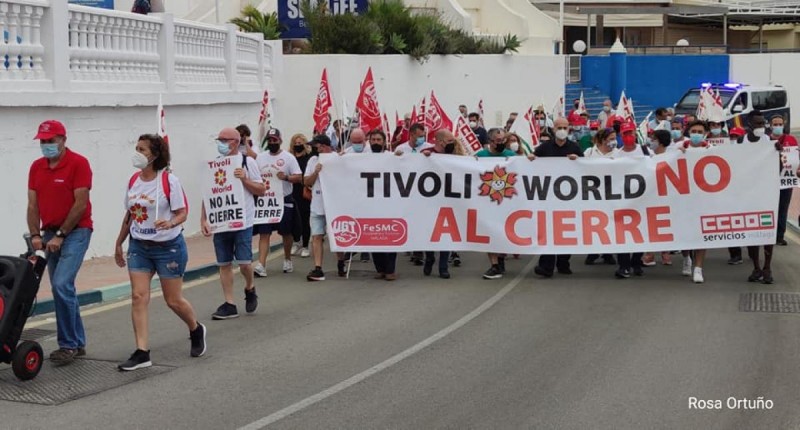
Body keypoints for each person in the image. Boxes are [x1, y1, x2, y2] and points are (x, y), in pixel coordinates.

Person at [114, 134, 206, 371]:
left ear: (154, 155)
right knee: (138, 296)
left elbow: (182, 212)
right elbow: (130, 214)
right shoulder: (134, 180)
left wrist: (171, 223)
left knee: (173, 300)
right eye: (136, 147)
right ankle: (142, 352)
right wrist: (119, 243)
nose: (136, 153)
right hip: (139, 246)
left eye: (141, 149)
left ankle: (196, 328)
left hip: (168, 247)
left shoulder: (169, 181)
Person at [27, 120, 92, 365]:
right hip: (48, 233)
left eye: (50, 141)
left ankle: (67, 345)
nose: (46, 145)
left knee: (62, 284)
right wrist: (35, 235)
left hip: (76, 231)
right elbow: (33, 205)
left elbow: (80, 204)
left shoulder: (78, 163)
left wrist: (61, 235)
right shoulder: (36, 167)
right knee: (63, 288)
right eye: (43, 142)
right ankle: (78, 342)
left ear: (63, 140)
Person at [201, 127, 266, 319]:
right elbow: (209, 194)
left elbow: (261, 189)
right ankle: (229, 303)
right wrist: (204, 218)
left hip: (242, 221)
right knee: (224, 263)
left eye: (224, 139)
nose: (220, 143)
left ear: (236, 142)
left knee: (245, 263)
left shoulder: (248, 162)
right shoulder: (216, 165)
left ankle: (250, 287)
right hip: (222, 222)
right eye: (218, 139)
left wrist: (244, 179)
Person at [533, 117, 583, 278]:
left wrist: (579, 161)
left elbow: (586, 170)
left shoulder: (575, 147)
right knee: (549, 231)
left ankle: (563, 262)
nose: (562, 130)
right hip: (548, 197)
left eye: (565, 127)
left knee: (566, 231)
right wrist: (530, 159)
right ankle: (546, 266)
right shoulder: (544, 148)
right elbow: (531, 163)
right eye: (559, 127)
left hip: (569, 199)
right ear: (553, 129)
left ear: (569, 129)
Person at [253, 128, 302, 277]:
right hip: (265, 201)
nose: (272, 142)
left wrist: (286, 177)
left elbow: (298, 177)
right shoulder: (260, 158)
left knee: (286, 233)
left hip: (283, 200)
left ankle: (287, 259)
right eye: (270, 140)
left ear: (280, 140)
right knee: (264, 232)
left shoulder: (289, 158)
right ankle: (261, 264)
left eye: (274, 140)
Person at [743, 111, 781, 283]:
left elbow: (777, 169)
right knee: (751, 234)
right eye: (757, 124)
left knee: (766, 231)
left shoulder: (769, 143)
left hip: (766, 193)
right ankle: (756, 268)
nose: (760, 127)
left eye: (762, 124)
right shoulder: (739, 142)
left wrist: (777, 155)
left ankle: (767, 268)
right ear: (749, 124)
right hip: (748, 194)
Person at [611, 122, 650, 278]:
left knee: (641, 232)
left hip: (643, 198)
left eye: (631, 133)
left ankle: (636, 261)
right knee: (621, 233)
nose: (628, 137)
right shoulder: (616, 155)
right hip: (622, 199)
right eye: (625, 134)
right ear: (621, 136)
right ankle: (624, 265)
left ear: (635, 134)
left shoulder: (646, 151)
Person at [305, 135, 346, 281]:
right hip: (317, 204)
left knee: (337, 235)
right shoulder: (312, 161)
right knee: (316, 236)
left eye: (316, 146)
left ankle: (341, 261)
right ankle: (318, 268)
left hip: (335, 205)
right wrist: (316, 172)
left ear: (323, 146)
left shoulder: (337, 158)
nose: (314, 149)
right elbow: (306, 182)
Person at [678, 121, 712, 283]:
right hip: (683, 199)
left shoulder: (711, 150)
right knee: (684, 233)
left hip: (703, 199)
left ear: (705, 133)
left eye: (700, 131)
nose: (697, 134)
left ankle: (698, 268)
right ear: (689, 132)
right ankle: (686, 258)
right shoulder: (678, 148)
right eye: (694, 131)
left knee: (701, 235)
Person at [641, 130, 673, 267]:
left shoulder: (673, 156)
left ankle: (665, 253)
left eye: (653, 139)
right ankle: (651, 254)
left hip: (667, 194)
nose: (650, 141)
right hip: (651, 194)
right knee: (652, 224)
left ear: (660, 141)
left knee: (666, 224)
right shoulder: (648, 156)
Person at [770, 114, 796, 246]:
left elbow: (796, 158)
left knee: (783, 209)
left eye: (780, 124)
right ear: (770, 125)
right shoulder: (766, 141)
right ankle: (769, 234)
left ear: (784, 125)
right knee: (770, 207)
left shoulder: (791, 139)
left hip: (786, 181)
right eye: (775, 124)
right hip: (769, 182)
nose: (778, 126)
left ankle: (779, 236)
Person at [289, 133, 312, 258]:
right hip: (291, 191)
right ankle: (296, 241)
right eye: (295, 143)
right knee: (293, 219)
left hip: (303, 191)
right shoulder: (290, 157)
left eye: (300, 143)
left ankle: (305, 245)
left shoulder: (308, 158)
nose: (298, 146)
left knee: (304, 219)